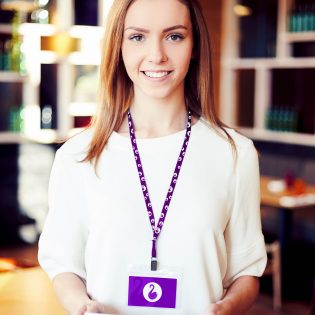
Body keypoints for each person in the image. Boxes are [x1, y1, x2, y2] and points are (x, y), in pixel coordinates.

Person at [38, 0, 267, 314]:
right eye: (137, 37)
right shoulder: (77, 156)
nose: (156, 55)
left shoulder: (234, 153)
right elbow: (63, 263)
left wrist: (227, 308)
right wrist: (81, 306)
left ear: (195, 46)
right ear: (119, 47)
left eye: (174, 36)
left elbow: (247, 269)